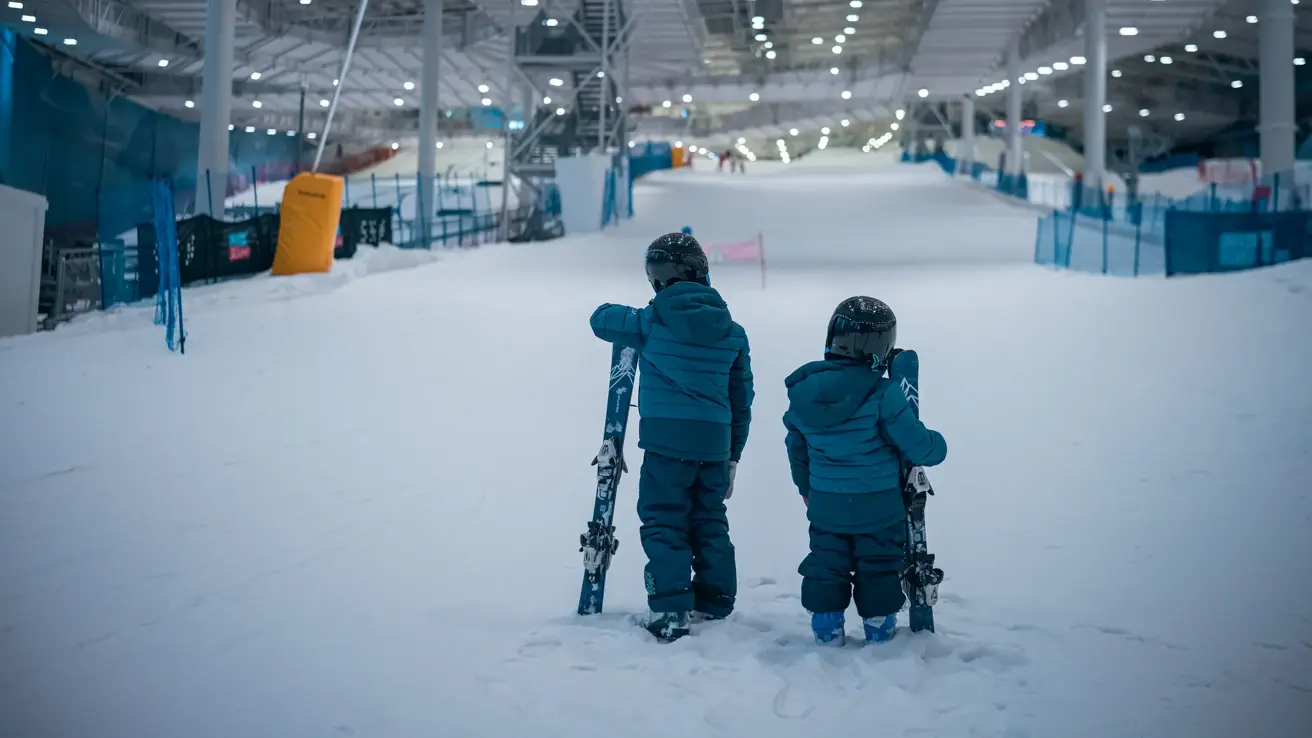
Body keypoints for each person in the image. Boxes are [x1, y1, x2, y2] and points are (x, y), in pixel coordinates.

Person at [590, 233, 755, 641]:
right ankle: (715, 600)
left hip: (665, 447)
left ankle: (670, 608)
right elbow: (742, 400)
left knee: (664, 522)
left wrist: (638, 311)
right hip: (714, 446)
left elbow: (600, 318)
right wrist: (733, 455)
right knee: (710, 520)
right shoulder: (733, 332)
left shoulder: (650, 322)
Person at [781, 297, 947, 646]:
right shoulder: (884, 394)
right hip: (879, 506)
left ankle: (826, 631)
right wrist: (938, 444)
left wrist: (807, 490)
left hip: (826, 504)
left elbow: (797, 452)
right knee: (879, 565)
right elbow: (917, 446)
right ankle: (879, 630)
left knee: (826, 564)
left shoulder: (804, 395)